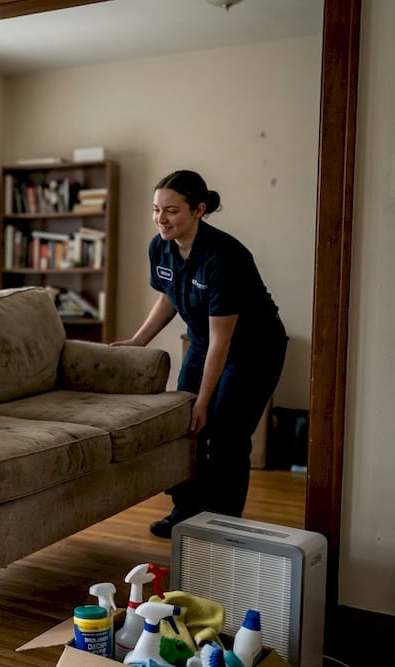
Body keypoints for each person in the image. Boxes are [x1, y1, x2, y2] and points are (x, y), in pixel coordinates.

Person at [113, 169, 287, 538]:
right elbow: (169, 296)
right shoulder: (159, 246)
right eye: (156, 209)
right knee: (186, 428)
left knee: (226, 435)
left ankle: (221, 525)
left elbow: (222, 342)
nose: (161, 219)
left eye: (171, 210)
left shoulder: (224, 256)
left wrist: (203, 402)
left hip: (253, 349)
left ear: (198, 210)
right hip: (203, 341)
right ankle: (185, 512)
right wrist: (138, 341)